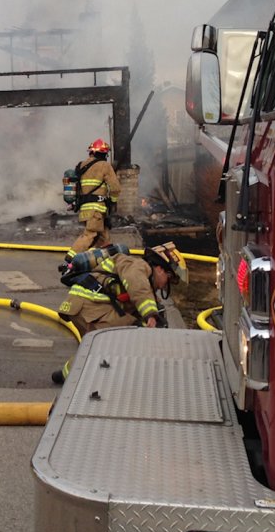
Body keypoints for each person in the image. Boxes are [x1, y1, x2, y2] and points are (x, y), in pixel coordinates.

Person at [51, 242, 187, 384]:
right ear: (160, 269)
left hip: (86, 307)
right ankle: (88, 379)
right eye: (169, 278)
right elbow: (137, 286)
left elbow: (137, 297)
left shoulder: (145, 279)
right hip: (90, 306)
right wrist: (150, 314)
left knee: (94, 349)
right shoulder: (137, 265)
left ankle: (66, 375)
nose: (166, 285)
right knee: (130, 332)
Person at [62, 138, 121, 270]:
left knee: (104, 238)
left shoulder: (81, 166)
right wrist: (113, 201)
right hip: (96, 209)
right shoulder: (104, 166)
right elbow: (116, 188)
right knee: (90, 235)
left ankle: (107, 265)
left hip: (84, 209)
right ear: (104, 154)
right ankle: (69, 261)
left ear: (91, 153)